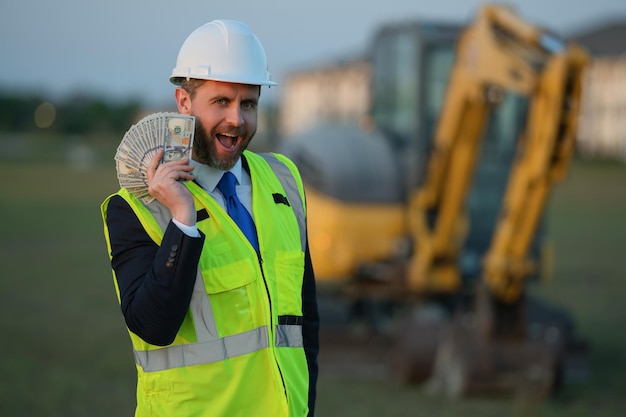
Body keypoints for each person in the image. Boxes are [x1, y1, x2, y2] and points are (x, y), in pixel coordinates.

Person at [101, 19, 319, 417]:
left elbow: (306, 327)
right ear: (184, 102)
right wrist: (183, 219)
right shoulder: (135, 209)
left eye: (248, 103)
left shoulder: (284, 182)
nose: (236, 119)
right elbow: (153, 326)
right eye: (221, 102)